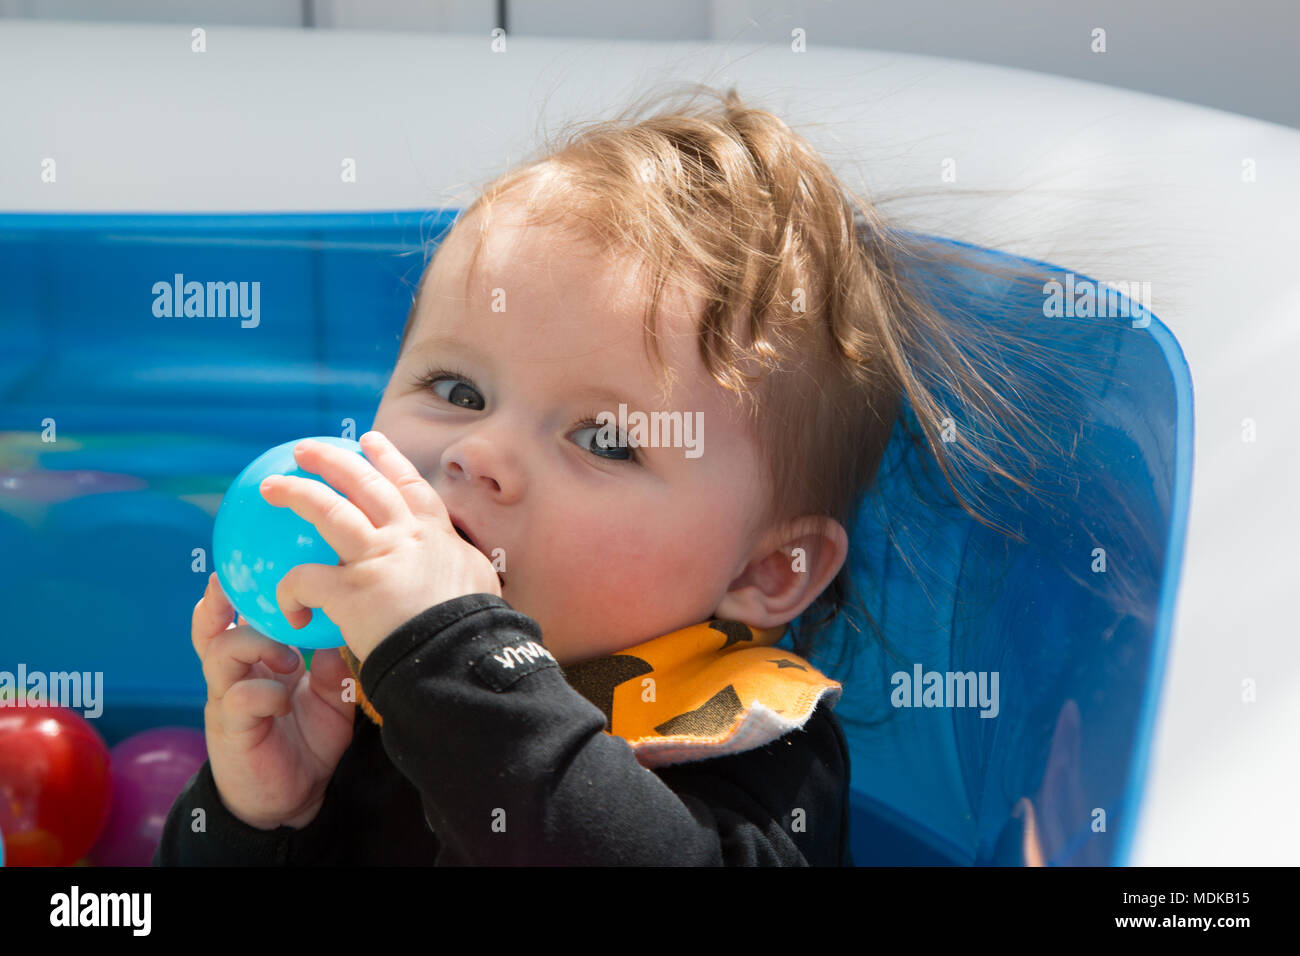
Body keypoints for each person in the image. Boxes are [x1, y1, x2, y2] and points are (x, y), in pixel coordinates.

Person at [155, 83, 1079, 866]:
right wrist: (261, 817)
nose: (481, 453)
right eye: (456, 388)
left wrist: (457, 660)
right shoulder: (362, 697)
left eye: (603, 440)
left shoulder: (753, 755)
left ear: (769, 571)